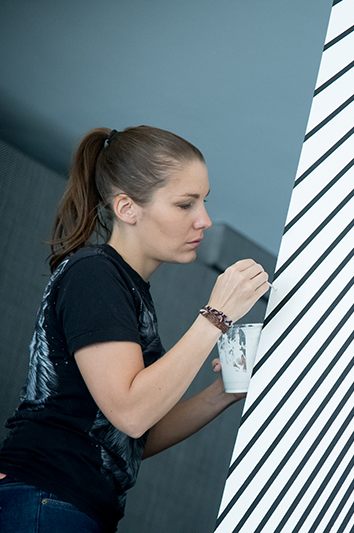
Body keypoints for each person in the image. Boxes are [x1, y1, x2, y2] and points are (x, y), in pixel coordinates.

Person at [0, 125, 270, 532]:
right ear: (127, 208)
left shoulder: (126, 288)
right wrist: (217, 315)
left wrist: (225, 393)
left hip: (71, 505)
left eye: (204, 202)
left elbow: (132, 435)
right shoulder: (95, 274)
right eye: (185, 204)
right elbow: (131, 412)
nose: (205, 220)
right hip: (45, 496)